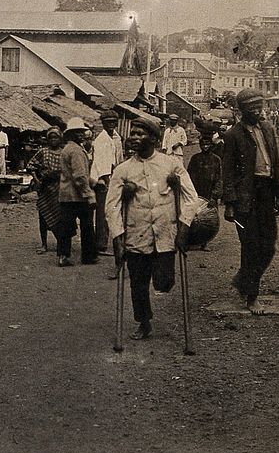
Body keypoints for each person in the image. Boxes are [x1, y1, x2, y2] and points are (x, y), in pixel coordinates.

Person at [107, 118, 201, 340]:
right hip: (136, 234)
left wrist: (184, 228)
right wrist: (118, 239)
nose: (135, 138)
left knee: (164, 282)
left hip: (164, 233)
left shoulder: (171, 165)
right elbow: (111, 207)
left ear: (154, 139)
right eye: (134, 133)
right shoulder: (123, 170)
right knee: (138, 284)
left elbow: (191, 199)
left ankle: (161, 285)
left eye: (141, 134)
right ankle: (144, 322)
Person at [221, 89, 279, 315]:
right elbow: (227, 172)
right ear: (242, 111)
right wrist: (229, 203)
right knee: (251, 246)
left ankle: (243, 279)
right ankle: (252, 296)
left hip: (266, 192)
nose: (258, 111)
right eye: (253, 108)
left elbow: (275, 163)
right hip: (245, 197)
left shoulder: (267, 129)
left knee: (269, 246)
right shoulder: (232, 135)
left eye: (260, 106)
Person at [57, 117, 96, 267]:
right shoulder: (77, 151)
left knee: (65, 227)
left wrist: (92, 181)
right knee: (86, 226)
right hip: (77, 195)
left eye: (81, 131)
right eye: (77, 132)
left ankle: (63, 255)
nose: (81, 134)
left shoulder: (67, 149)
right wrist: (89, 194)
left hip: (66, 194)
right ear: (71, 134)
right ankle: (88, 256)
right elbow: (79, 176)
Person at [91, 110, 124, 278]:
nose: (111, 124)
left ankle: (103, 241)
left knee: (110, 210)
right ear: (103, 123)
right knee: (103, 212)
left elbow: (118, 158)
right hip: (103, 178)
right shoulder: (101, 140)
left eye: (114, 121)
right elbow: (102, 163)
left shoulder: (115, 137)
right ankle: (101, 244)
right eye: (108, 121)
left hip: (113, 175)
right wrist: (106, 179)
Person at [27, 127, 65, 253]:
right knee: (43, 215)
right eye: (51, 138)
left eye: (56, 138)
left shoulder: (64, 153)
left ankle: (61, 242)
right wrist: (36, 180)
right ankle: (44, 244)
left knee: (59, 216)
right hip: (45, 188)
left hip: (60, 188)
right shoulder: (43, 152)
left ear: (60, 139)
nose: (53, 140)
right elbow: (31, 165)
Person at [187, 132, 222, 206]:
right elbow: (189, 177)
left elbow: (219, 178)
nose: (205, 147)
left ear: (211, 145)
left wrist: (215, 196)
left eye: (207, 144)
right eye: (203, 145)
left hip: (210, 193)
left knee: (211, 215)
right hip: (197, 193)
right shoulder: (195, 158)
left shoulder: (216, 159)